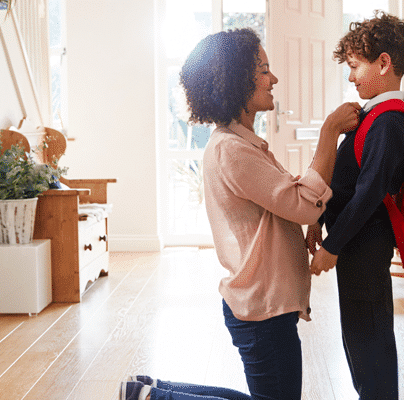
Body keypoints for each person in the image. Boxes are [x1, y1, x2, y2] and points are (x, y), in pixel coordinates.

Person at [121, 27, 361, 400]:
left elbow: (286, 199)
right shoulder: (233, 151)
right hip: (262, 309)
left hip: (263, 305)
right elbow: (299, 204)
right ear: (237, 82)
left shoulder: (241, 144)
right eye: (263, 70)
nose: (273, 79)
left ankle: (151, 391)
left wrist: (314, 217)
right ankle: (153, 397)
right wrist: (329, 131)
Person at [305, 11, 404, 400]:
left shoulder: (389, 122)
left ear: (383, 63)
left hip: (365, 246)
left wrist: (333, 246)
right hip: (356, 245)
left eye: (355, 66)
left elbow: (369, 193)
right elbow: (346, 180)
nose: (350, 77)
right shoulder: (374, 116)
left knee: (370, 339)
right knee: (358, 334)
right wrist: (319, 220)